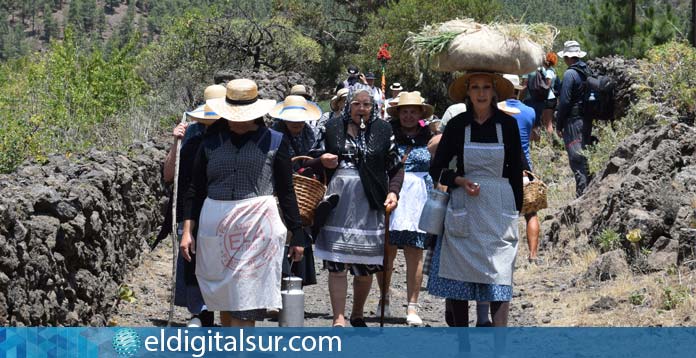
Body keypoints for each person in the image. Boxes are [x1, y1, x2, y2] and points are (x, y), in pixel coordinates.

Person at [181, 79, 306, 327]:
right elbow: (195, 190)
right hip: (216, 225)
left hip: (257, 226)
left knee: (248, 298)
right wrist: (187, 231)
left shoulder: (275, 142)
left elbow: (286, 191)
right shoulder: (209, 143)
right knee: (225, 297)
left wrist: (298, 233)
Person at [428, 72, 524, 327]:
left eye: (486, 88)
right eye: (475, 88)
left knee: (500, 275)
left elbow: (515, 171)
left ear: (494, 92)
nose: (481, 93)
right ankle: (463, 346)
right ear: (467, 93)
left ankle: (500, 349)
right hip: (465, 207)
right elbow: (436, 167)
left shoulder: (508, 125)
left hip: (498, 210)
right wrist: (458, 180)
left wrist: (516, 210)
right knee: (459, 276)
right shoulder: (458, 125)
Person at [312, 88, 404, 327]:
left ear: (373, 107)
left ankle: (358, 313)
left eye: (366, 104)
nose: (361, 109)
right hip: (338, 200)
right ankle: (338, 317)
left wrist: (393, 192)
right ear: (347, 106)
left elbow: (395, 167)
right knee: (337, 263)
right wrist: (321, 160)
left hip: (370, 199)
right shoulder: (332, 127)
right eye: (356, 104)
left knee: (366, 264)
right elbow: (311, 157)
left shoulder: (383, 130)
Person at [161, 84, 226, 327]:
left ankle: (224, 311)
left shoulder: (233, 134)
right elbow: (169, 175)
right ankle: (199, 311)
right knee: (192, 257)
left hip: (221, 204)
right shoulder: (191, 133)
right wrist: (175, 142)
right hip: (191, 204)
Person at [374, 91, 433, 326]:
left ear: (420, 114)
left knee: (414, 251)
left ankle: (412, 305)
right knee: (386, 250)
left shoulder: (429, 137)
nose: (408, 116)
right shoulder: (387, 135)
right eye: (404, 111)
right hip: (392, 192)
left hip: (419, 196)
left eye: (413, 111)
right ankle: (384, 296)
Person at [269, 95, 324, 286]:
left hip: (303, 193)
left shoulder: (310, 135)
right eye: (292, 119)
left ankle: (293, 286)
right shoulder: (274, 136)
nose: (296, 123)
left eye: (299, 119)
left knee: (299, 233)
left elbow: (314, 156)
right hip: (278, 192)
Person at [500, 74, 540, 264]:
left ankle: (505, 254)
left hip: (502, 166)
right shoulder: (530, 111)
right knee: (531, 212)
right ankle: (533, 254)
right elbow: (532, 134)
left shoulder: (498, 110)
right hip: (525, 168)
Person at [556, 40, 591, 198]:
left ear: (568, 57)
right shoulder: (586, 70)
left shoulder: (570, 74)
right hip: (585, 119)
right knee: (585, 157)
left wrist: (559, 123)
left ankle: (581, 197)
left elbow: (564, 102)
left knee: (577, 160)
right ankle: (588, 192)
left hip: (573, 122)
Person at [541, 52, 558, 136]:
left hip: (548, 98)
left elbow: (547, 85)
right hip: (551, 98)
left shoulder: (549, 72)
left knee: (548, 124)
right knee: (547, 122)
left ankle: (549, 143)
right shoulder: (552, 70)